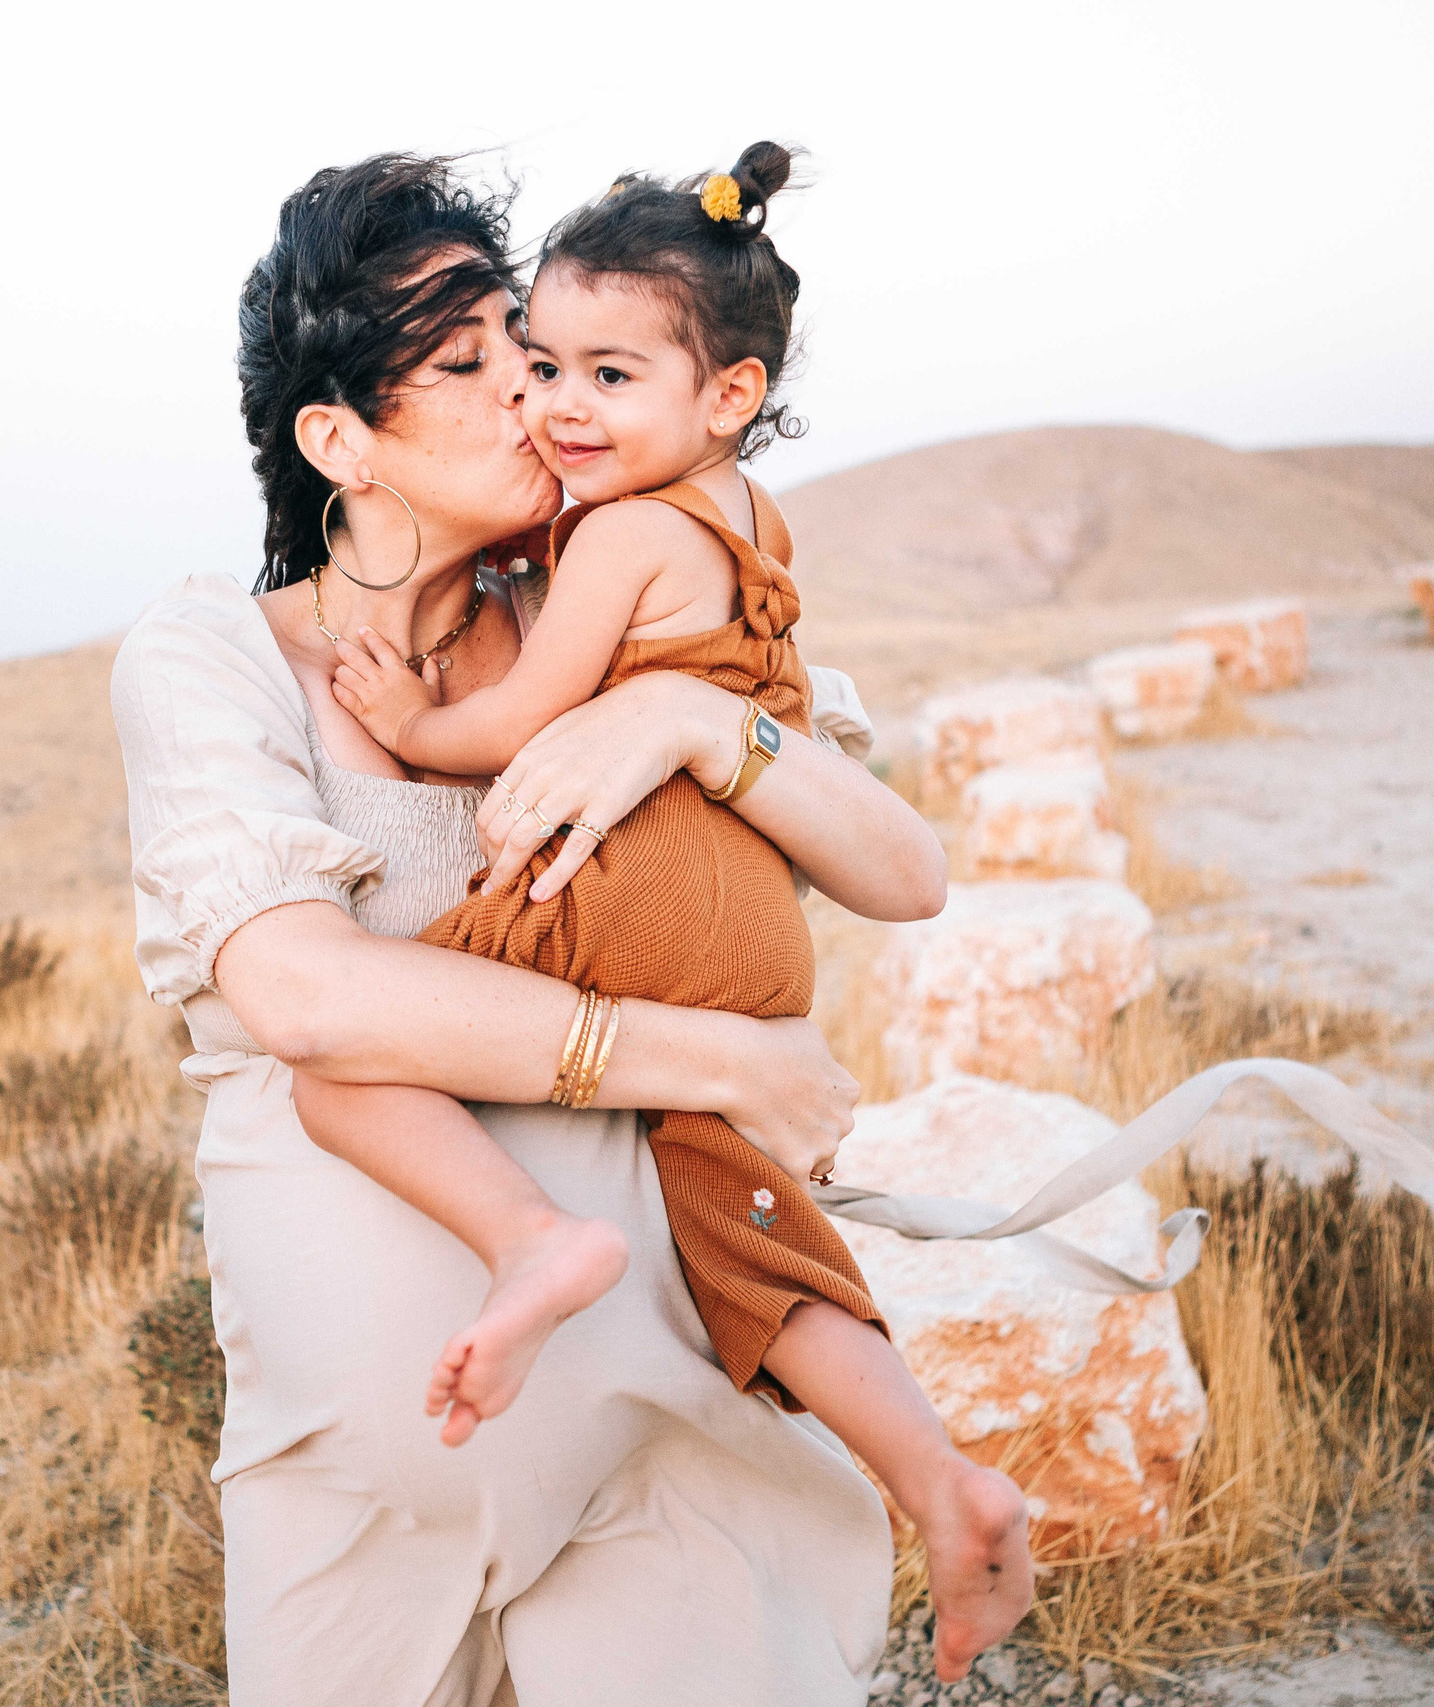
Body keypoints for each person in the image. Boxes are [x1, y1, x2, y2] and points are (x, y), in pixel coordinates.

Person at [111, 153, 976, 1702]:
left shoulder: (622, 596)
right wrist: (705, 1053)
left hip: (658, 1434)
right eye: (471, 364)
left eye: (535, 345)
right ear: (338, 441)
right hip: (354, 1499)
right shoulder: (210, 659)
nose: (531, 390)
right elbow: (302, 993)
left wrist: (698, 729)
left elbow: (907, 873)